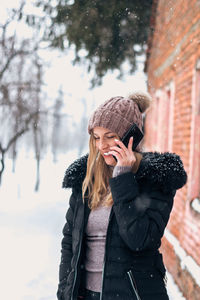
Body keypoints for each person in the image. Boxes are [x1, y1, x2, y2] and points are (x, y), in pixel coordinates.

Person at [57, 92, 187, 300]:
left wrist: (122, 179)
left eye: (110, 136)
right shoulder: (86, 178)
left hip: (134, 294)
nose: (102, 146)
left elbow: (140, 240)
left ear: (131, 136)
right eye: (97, 138)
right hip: (84, 295)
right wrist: (65, 290)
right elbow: (69, 241)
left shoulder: (156, 180)